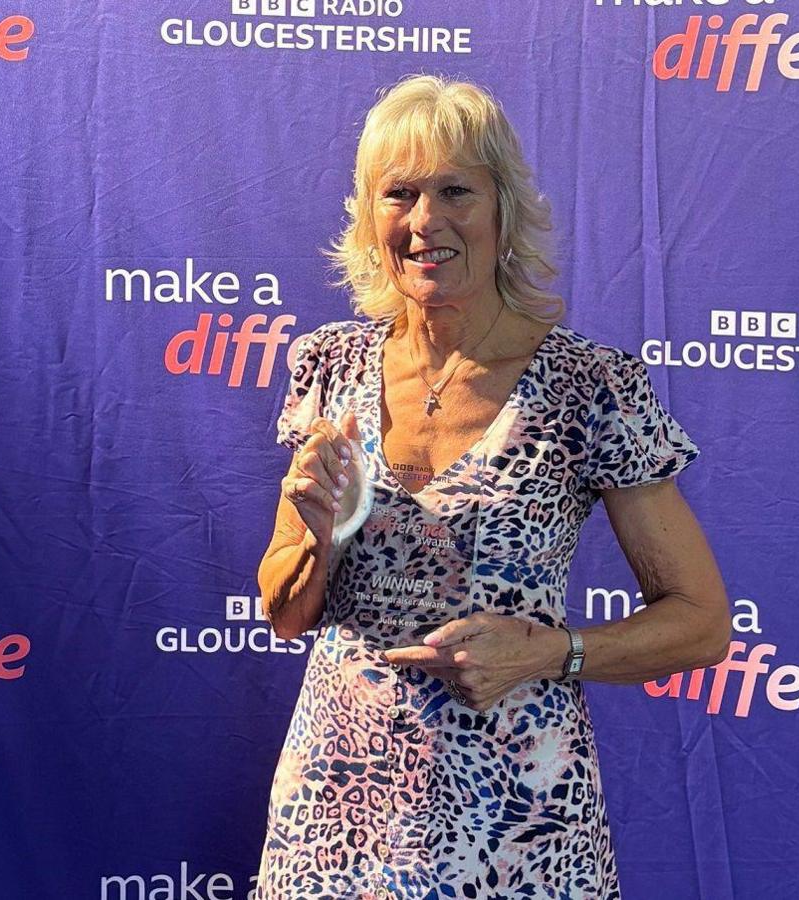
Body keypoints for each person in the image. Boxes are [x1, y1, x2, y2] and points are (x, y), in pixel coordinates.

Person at [253, 73, 730, 900]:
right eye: (398, 193)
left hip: (516, 821)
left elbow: (701, 624)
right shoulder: (328, 366)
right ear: (369, 218)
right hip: (339, 808)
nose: (425, 221)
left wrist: (553, 650)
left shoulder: (591, 387)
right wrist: (318, 530)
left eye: (455, 191)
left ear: (504, 209)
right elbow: (286, 613)